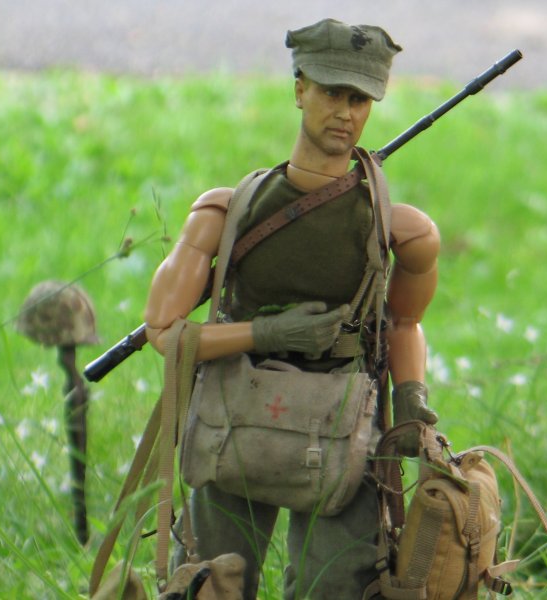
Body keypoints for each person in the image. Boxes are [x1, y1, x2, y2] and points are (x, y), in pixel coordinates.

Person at [144, 18, 440, 600]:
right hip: (236, 413)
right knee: (211, 580)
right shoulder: (225, 213)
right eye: (331, 92)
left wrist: (411, 399)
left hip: (343, 424)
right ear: (299, 88)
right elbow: (165, 332)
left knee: (337, 583)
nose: (345, 113)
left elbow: (405, 322)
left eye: (359, 99)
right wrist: (265, 333)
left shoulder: (403, 231)